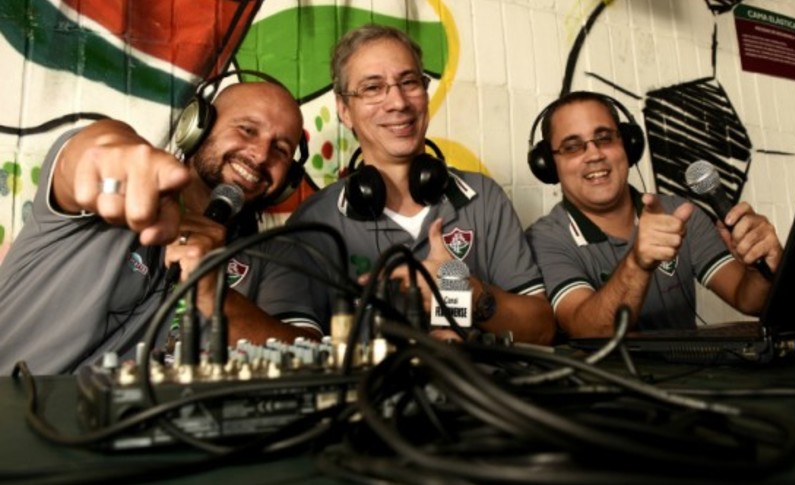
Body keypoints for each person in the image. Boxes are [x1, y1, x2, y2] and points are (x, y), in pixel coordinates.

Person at [0, 79, 327, 375]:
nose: (261, 154)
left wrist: (213, 293)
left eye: (281, 149)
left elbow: (310, 359)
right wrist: (112, 151)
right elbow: (90, 154)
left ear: (288, 180)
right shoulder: (117, 185)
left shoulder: (277, 256)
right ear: (196, 126)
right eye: (247, 130)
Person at [288, 24, 555, 345]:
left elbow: (542, 329)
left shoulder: (483, 197)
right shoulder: (312, 223)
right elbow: (291, 347)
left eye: (409, 82)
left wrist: (464, 293)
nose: (398, 102)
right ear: (345, 110)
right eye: (373, 88)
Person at [525, 91, 783, 338]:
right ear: (548, 165)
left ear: (628, 145)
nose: (594, 154)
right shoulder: (544, 239)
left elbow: (749, 301)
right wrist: (637, 263)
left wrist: (759, 269)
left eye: (604, 138)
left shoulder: (681, 213)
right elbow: (590, 331)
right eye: (572, 147)